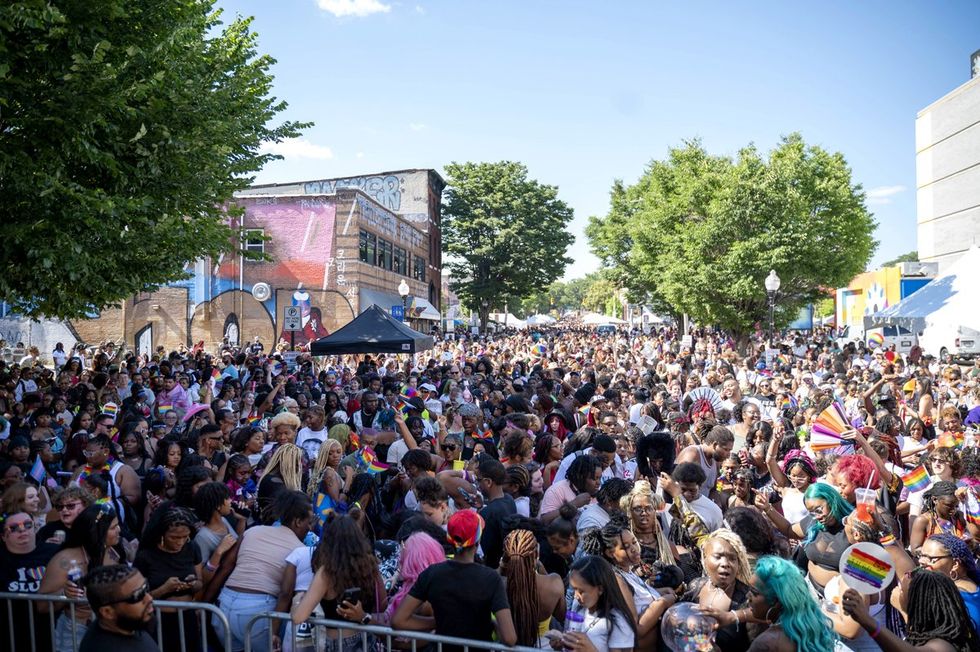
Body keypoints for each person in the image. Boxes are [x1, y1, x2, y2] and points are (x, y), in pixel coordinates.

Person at [392, 510, 517, 649]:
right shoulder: (491, 579)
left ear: (449, 539)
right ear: (477, 541)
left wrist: (438, 622)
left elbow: (398, 620)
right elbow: (509, 638)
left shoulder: (431, 574)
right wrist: (492, 624)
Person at [213, 490, 313, 652]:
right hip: (258, 615)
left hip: (223, 608)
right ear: (297, 521)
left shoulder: (253, 531)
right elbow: (286, 594)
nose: (310, 527)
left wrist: (203, 605)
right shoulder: (300, 550)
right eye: (309, 522)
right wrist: (274, 632)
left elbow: (225, 568)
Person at [291, 512, 387, 649]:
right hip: (367, 639)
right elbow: (383, 604)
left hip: (339, 643)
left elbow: (298, 617)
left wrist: (299, 599)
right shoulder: (370, 566)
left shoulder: (326, 574)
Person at [38, 503, 125, 650]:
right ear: (97, 532)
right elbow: (41, 606)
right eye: (113, 527)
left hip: (109, 630)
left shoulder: (112, 552)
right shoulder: (64, 559)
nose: (119, 530)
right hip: (76, 633)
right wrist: (64, 594)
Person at [581, 521, 677, 649]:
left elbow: (636, 600)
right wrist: (662, 602)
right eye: (625, 546)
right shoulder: (616, 579)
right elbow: (636, 629)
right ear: (610, 553)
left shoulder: (627, 572)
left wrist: (659, 592)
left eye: (634, 541)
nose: (634, 548)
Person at [843, 569, 980, 652]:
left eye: (902, 590)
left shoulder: (944, 645)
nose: (897, 591)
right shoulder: (934, 630)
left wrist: (867, 621)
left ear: (920, 602)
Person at [729, 555, 837, 652]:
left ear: (776, 602)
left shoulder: (767, 643)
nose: (747, 596)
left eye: (754, 592)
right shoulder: (810, 628)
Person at [134, 505, 202, 651]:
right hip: (159, 621)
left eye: (185, 537)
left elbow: (200, 583)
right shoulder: (146, 556)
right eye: (175, 537)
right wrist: (164, 589)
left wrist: (193, 584)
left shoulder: (192, 548)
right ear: (162, 534)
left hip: (187, 618)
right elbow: (138, 596)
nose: (180, 542)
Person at [680, 530, 754, 652]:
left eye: (732, 558)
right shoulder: (696, 586)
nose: (725, 564)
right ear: (704, 558)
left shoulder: (747, 598)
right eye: (718, 557)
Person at [0, 511, 59, 652]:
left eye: (27, 525)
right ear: (3, 536)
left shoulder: (54, 552)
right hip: (9, 635)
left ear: (35, 527)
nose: (22, 530)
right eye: (13, 528)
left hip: (50, 632)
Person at [553, 555, 636, 652]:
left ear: (600, 589)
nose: (576, 596)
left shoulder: (618, 621)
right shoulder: (578, 607)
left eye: (581, 591)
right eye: (574, 589)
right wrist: (563, 644)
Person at [501, 528, 565, 647]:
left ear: (505, 556)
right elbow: (562, 616)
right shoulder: (554, 582)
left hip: (506, 646)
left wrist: (502, 566)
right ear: (536, 555)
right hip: (543, 647)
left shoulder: (498, 584)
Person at [78, 565, 158, 652]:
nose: (149, 598)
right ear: (107, 612)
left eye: (146, 587)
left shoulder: (129, 625)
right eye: (138, 595)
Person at [918, 533, 980, 634]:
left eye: (929, 558)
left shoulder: (949, 598)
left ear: (955, 564)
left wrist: (904, 612)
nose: (921, 561)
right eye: (920, 555)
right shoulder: (972, 586)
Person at [674, 424, 736, 498]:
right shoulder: (693, 455)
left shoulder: (715, 461)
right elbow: (680, 490)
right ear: (715, 445)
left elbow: (713, 490)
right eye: (726, 449)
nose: (728, 455)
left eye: (730, 450)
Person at [476, 458, 516, 569]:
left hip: (492, 568)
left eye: (479, 480)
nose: (477, 484)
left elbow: (482, 551)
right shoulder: (509, 499)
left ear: (488, 482)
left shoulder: (488, 513)